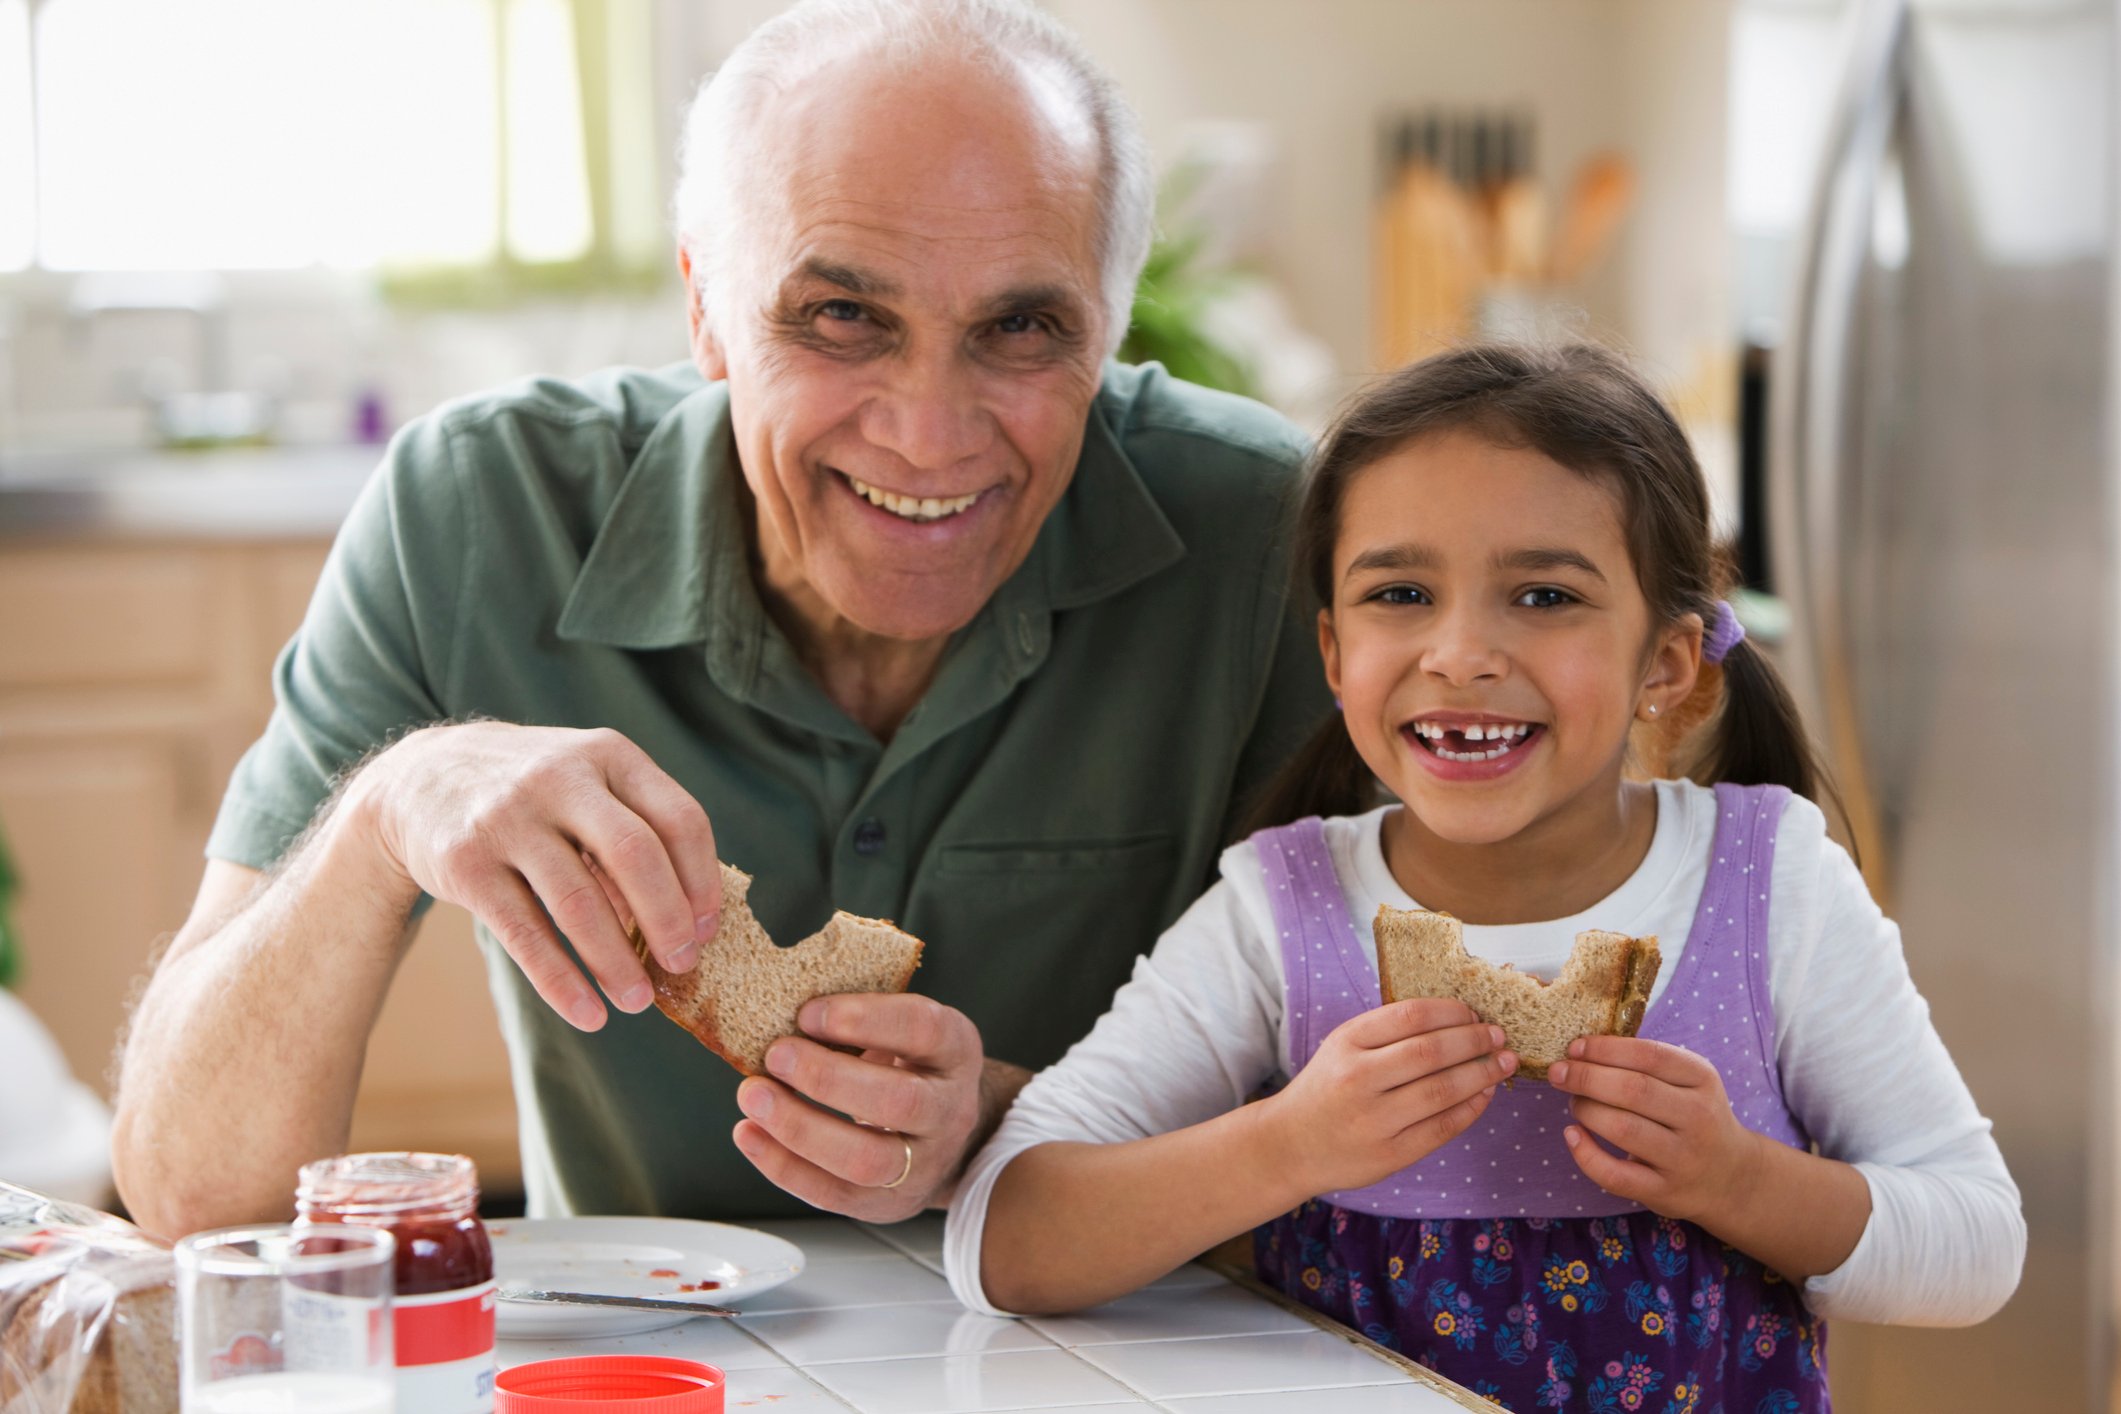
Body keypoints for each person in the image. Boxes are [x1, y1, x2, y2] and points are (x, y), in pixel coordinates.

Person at [110, 0, 1329, 1238]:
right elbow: (195, 1195)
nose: (928, 430)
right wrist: (383, 813)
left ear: (1108, 330)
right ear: (705, 309)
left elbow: (1409, 1131)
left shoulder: (1275, 539)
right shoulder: (477, 509)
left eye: (1019, 329)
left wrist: (1013, 1130)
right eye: (842, 317)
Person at [945, 344, 2024, 1410]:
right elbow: (1005, 1236)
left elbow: (1977, 1244)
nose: (1459, 651)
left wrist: (1740, 1180)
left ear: (1666, 662)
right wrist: (1288, 1144)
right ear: (1333, 654)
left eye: (1546, 596)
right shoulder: (1282, 910)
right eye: (1402, 591)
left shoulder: (1771, 884)